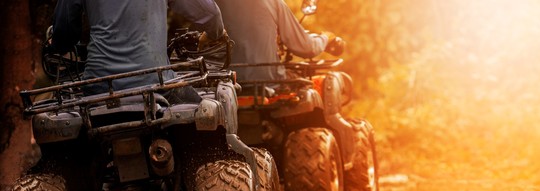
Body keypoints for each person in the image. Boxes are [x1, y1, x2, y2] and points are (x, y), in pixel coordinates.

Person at [51, 0, 225, 100]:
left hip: (100, 85)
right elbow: (210, 14)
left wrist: (57, 44)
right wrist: (214, 34)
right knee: (207, 125)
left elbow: (64, 30)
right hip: (155, 81)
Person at [214, 0, 334, 83]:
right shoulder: (273, 2)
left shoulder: (211, 5)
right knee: (316, 85)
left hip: (223, 85)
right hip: (269, 82)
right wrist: (325, 38)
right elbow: (306, 47)